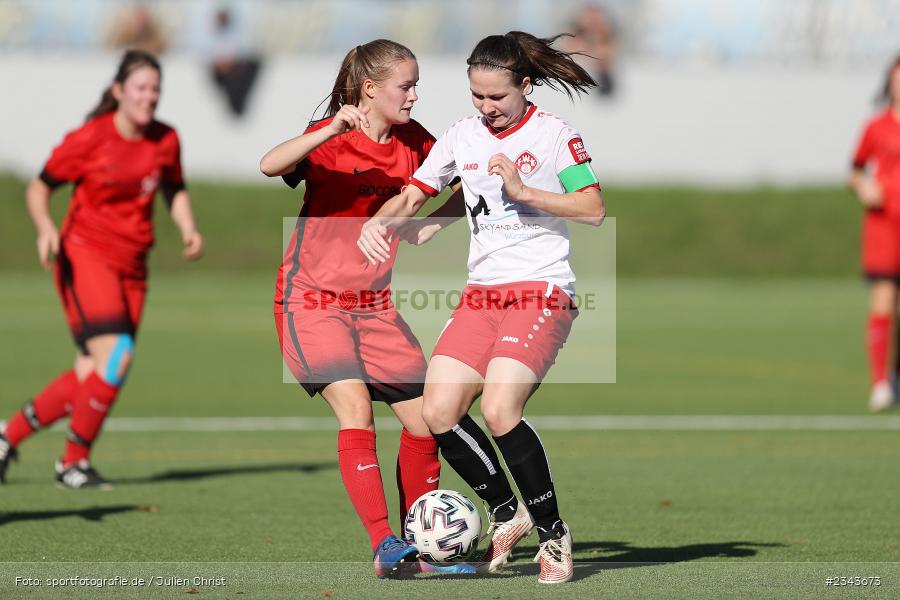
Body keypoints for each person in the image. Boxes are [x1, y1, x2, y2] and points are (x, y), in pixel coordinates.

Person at [358, 31, 604, 584]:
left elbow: (591, 207)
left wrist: (525, 191)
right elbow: (418, 193)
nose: (487, 108)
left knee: (499, 411)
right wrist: (385, 221)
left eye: (497, 97)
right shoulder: (462, 136)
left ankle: (553, 535)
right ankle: (504, 510)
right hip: (481, 296)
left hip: (540, 290)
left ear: (526, 85)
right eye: (477, 96)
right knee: (436, 412)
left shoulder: (554, 136)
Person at [259, 39, 466, 579]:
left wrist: (436, 219)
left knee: (425, 422)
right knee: (356, 409)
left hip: (375, 307)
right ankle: (384, 544)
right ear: (370, 89)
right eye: (407, 85)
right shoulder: (332, 139)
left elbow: (462, 183)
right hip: (311, 301)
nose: (416, 95)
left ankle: (420, 546)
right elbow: (268, 164)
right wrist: (329, 128)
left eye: (417, 84)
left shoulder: (416, 142)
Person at [0, 50, 204, 488]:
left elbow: (175, 187)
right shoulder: (90, 138)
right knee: (116, 356)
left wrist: (187, 226)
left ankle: (6, 437)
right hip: (85, 255)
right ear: (118, 92)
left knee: (90, 373)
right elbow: (40, 187)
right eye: (140, 88)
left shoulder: (165, 139)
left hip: (134, 266)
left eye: (155, 89)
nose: (149, 97)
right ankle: (72, 462)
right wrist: (44, 229)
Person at [850, 55, 900, 412]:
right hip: (884, 224)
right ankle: (879, 382)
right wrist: (864, 186)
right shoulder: (876, 126)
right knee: (884, 298)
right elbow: (855, 169)